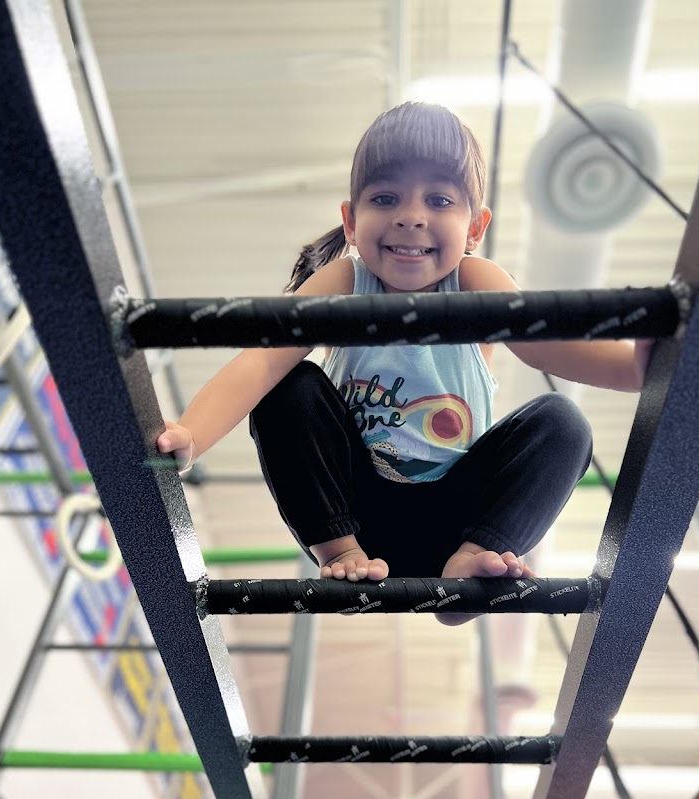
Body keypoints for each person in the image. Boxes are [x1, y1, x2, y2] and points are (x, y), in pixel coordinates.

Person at [158, 102, 653, 625]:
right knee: (287, 386)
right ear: (351, 221)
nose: (411, 216)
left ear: (475, 227)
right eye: (385, 198)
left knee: (563, 421)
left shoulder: (475, 282)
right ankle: (338, 553)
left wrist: (634, 369)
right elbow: (261, 363)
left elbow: (545, 345)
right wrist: (192, 434)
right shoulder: (346, 282)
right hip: (357, 513)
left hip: (456, 519)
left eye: (439, 200)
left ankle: (476, 558)